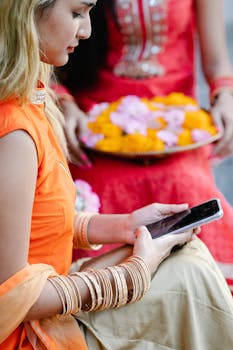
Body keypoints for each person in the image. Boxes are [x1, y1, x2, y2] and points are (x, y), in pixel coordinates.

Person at [1, 1, 233, 349]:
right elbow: (14, 295)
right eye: (78, 13)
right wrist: (133, 273)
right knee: (190, 277)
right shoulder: (16, 134)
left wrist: (124, 225)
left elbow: (39, 221)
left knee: (188, 257)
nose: (87, 30)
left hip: (173, 121)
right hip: (33, 334)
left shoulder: (32, 104)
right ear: (27, 12)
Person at [54, 0, 233, 290]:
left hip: (176, 131)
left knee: (189, 190)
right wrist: (63, 101)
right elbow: (36, 39)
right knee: (91, 196)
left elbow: (216, 62)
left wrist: (224, 94)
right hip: (94, 131)